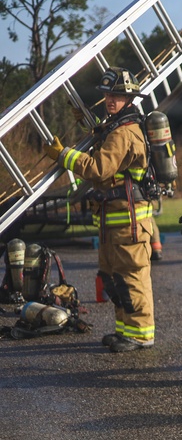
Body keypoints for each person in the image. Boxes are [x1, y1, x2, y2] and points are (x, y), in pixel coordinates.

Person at [45, 67, 156, 353]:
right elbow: (102, 138)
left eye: (116, 95)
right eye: (107, 95)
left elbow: (99, 168)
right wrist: (86, 122)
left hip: (128, 222)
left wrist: (63, 155)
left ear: (129, 99)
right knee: (114, 278)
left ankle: (141, 334)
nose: (110, 100)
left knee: (131, 278)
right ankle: (125, 330)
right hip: (113, 220)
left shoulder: (124, 132)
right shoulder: (116, 128)